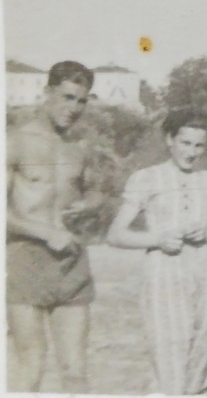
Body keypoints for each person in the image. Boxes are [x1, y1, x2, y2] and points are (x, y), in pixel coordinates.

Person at [106, 109, 207, 395]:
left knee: (205, 348)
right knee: (170, 357)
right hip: (165, 274)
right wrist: (158, 239)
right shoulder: (148, 178)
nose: (192, 152)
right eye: (185, 143)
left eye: (199, 145)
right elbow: (116, 235)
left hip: (206, 275)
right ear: (169, 139)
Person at [7, 60, 99, 392]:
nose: (73, 108)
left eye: (81, 101)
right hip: (25, 261)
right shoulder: (14, 142)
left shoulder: (79, 148)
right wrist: (45, 232)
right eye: (67, 97)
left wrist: (90, 205)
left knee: (75, 371)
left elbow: (96, 192)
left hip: (71, 265)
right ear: (47, 93)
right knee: (30, 367)